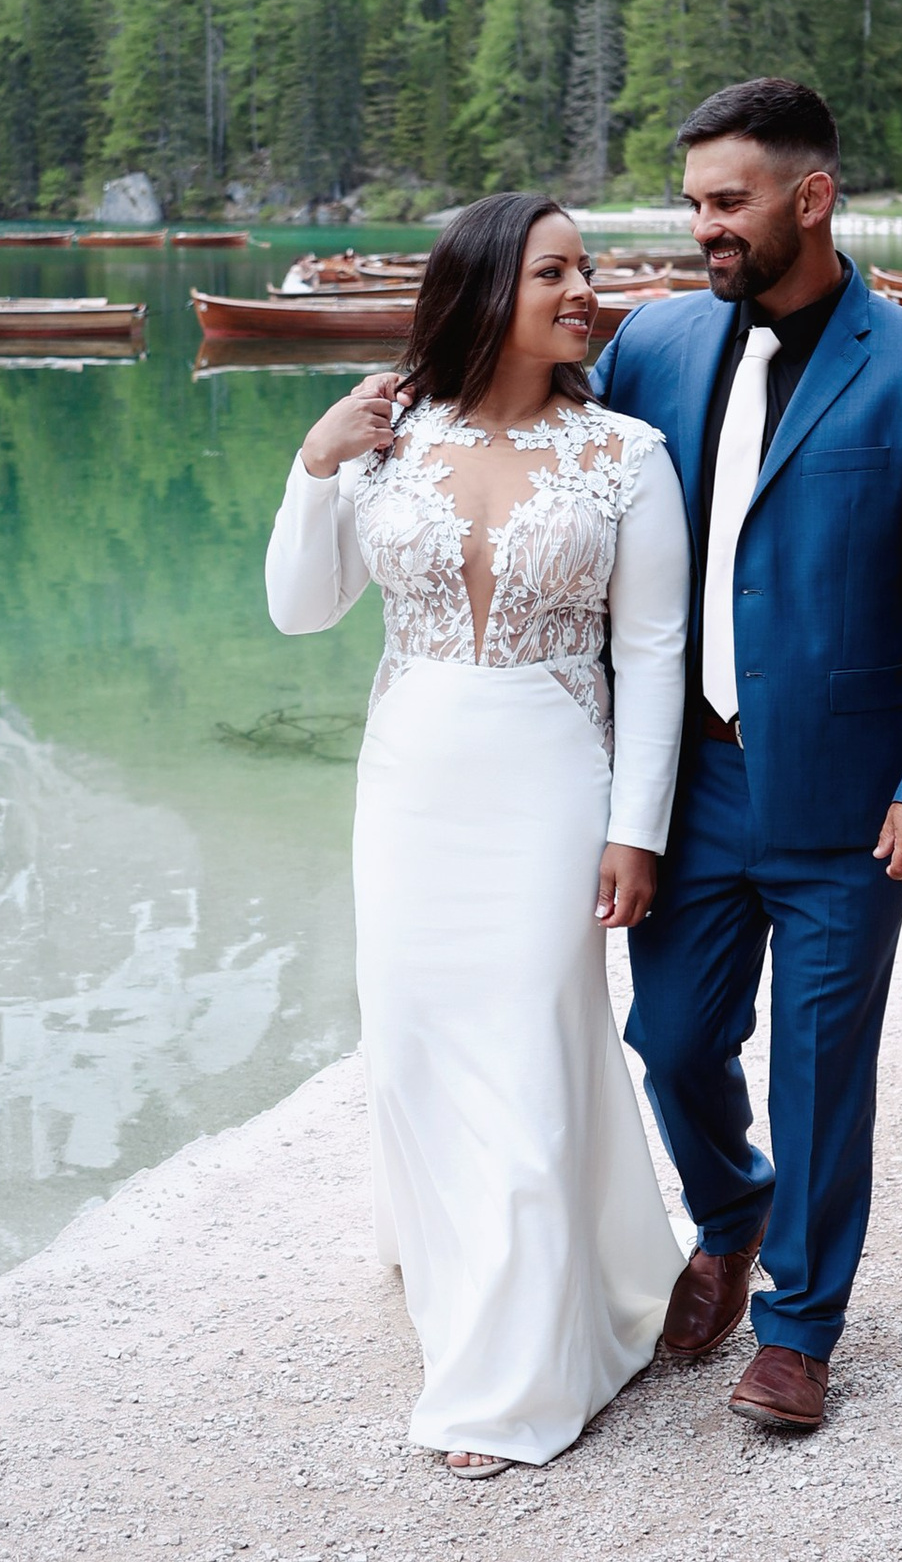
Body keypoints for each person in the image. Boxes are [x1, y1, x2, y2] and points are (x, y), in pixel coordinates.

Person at [595, 76, 902, 1433]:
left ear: (811, 198)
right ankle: (730, 1206)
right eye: (696, 202)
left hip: (847, 799)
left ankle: (799, 1325)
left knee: (824, 1066)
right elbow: (546, 459)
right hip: (695, 780)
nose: (704, 226)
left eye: (730, 202)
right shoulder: (652, 347)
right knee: (669, 1037)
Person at [265, 192, 692, 1476]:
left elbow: (655, 656)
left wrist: (638, 831)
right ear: (485, 289)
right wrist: (314, 458)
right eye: (555, 272)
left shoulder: (626, 456)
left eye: (588, 271)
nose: (585, 294)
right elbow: (300, 609)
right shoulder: (391, 436)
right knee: (416, 1042)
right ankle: (477, 1268)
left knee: (521, 1045)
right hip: (409, 783)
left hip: (553, 775)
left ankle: (508, 1382)